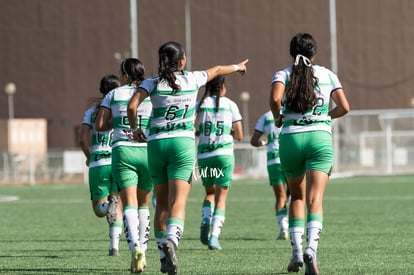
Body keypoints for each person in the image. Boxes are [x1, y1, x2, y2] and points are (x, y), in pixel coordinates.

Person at [127, 41, 248, 275]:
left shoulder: (151, 83)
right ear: (182, 61)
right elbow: (217, 70)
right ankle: (173, 240)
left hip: (156, 144)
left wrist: (135, 130)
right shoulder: (192, 79)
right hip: (182, 145)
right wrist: (237, 66)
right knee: (178, 202)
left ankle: (164, 254)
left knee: (160, 203)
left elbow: (133, 106)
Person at [269, 33, 350, 275]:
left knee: (297, 198)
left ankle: (295, 254)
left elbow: (274, 98)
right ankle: (311, 250)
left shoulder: (283, 74)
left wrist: (278, 118)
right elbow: (345, 107)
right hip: (319, 139)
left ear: (291, 52)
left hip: (291, 138)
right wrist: (326, 117)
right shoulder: (327, 74)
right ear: (314, 53)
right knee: (315, 200)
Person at [95, 58, 153, 274]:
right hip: (148, 150)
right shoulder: (151, 92)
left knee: (129, 204)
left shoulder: (113, 94)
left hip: (123, 151)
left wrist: (118, 122)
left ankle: (135, 247)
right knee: (144, 203)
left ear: (126, 76)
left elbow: (100, 125)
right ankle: (144, 250)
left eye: (121, 74)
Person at [195, 76, 243, 250]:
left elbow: (193, 128)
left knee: (209, 193)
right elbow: (239, 135)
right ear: (222, 87)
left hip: (205, 156)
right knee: (221, 198)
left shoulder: (200, 104)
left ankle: (205, 219)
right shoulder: (231, 105)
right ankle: (214, 237)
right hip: (224, 155)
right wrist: (227, 129)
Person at [79, 74, 123, 256]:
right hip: (120, 160)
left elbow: (82, 139)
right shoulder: (122, 108)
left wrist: (89, 157)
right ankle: (114, 246)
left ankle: (107, 207)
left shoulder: (92, 112)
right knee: (117, 203)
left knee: (99, 210)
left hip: (99, 162)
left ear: (101, 90)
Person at [250, 110, 289, 240]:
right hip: (290, 157)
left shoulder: (265, 116)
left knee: (280, 196)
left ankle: (283, 228)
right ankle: (296, 228)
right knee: (297, 195)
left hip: (273, 160)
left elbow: (254, 141)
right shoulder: (292, 111)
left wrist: (264, 143)